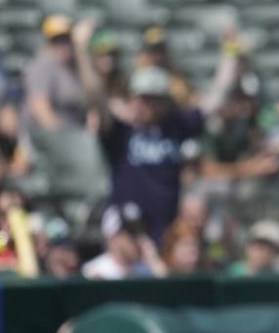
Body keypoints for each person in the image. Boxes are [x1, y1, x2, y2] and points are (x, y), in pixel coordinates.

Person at [73, 19, 239, 243]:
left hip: (167, 230)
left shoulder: (175, 125)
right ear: (133, 98)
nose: (149, 105)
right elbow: (95, 92)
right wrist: (81, 50)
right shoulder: (121, 130)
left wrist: (230, 52)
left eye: (155, 99)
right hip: (126, 232)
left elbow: (217, 97)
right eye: (144, 98)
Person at [24, 15, 88, 133]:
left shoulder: (75, 66)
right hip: (46, 139)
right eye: (57, 40)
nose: (63, 45)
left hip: (74, 134)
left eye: (66, 39)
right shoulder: (42, 66)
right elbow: (40, 110)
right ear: (48, 42)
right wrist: (65, 136)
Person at [82, 203, 165, 280]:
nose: (138, 238)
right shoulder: (94, 271)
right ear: (113, 237)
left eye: (140, 230)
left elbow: (165, 289)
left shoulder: (147, 270)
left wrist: (153, 259)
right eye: (131, 232)